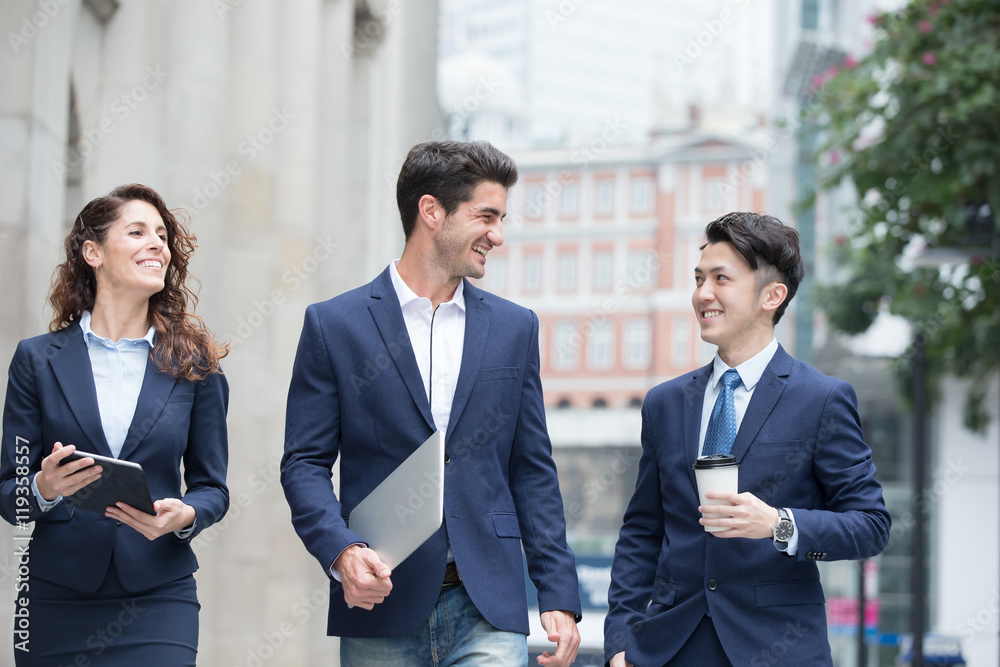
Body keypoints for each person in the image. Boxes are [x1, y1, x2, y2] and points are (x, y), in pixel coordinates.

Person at [281, 140, 582, 667]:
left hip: (487, 604)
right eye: (486, 216)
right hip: (382, 602)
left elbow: (531, 469)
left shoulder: (515, 329)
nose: (498, 235)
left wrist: (557, 593)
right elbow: (304, 464)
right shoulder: (335, 326)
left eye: (502, 218)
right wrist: (341, 550)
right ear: (431, 211)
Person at [604, 212, 891, 667]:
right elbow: (642, 531)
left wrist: (779, 523)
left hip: (778, 648)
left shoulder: (821, 399)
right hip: (668, 649)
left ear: (772, 296)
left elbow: (871, 525)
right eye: (699, 279)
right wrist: (620, 643)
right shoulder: (665, 403)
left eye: (722, 279)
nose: (703, 294)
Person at [0, 184, 230, 666]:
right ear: (93, 252)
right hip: (53, 597)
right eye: (138, 231)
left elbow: (212, 489)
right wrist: (43, 486)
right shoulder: (36, 361)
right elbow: (10, 495)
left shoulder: (195, 366)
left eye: (163, 235)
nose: (158, 244)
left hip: (157, 594)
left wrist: (185, 516)